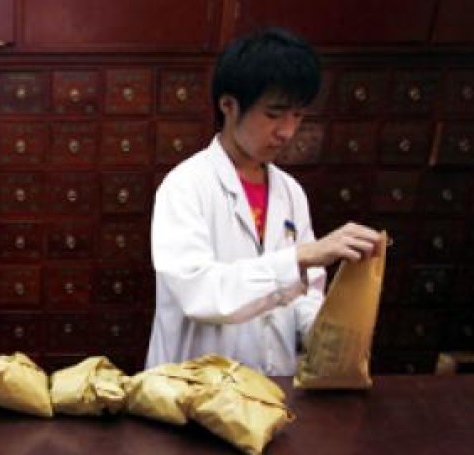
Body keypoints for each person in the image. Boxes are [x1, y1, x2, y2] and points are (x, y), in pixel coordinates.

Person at [146, 27, 383, 376]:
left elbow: (306, 290)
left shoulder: (291, 193)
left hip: (273, 387)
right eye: (274, 114)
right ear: (228, 105)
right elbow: (201, 294)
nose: (287, 131)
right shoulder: (185, 186)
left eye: (298, 115)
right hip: (195, 388)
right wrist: (300, 258)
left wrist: (328, 333)